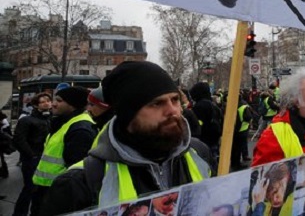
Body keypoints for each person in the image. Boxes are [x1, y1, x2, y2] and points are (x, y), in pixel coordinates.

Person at [41, 61, 213, 215]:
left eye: (174, 100)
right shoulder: (79, 183)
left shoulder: (199, 153)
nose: (173, 111)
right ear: (127, 114)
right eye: (156, 103)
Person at [32, 86, 97, 215]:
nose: (53, 104)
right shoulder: (65, 122)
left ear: (73, 104)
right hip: (48, 189)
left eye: (59, 100)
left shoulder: (80, 129)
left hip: (60, 194)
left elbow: (76, 171)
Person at [12, 93, 52, 216]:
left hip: (46, 159)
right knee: (30, 188)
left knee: (41, 190)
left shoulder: (51, 119)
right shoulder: (26, 120)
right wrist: (32, 155)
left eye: (48, 100)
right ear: (35, 105)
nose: (47, 103)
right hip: (32, 159)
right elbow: (19, 140)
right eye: (43, 101)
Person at [189, 82, 223, 162]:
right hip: (214, 139)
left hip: (204, 140)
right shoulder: (213, 105)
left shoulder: (200, 106)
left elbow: (196, 124)